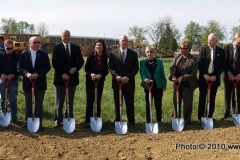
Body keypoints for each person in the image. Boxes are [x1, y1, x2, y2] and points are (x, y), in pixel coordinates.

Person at [52, 29, 84, 128]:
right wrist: (62, 74)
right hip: (60, 78)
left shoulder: (76, 48)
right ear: (61, 37)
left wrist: (76, 68)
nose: (66, 37)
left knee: (70, 100)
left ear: (70, 36)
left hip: (72, 78)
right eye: (64, 35)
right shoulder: (57, 48)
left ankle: (69, 117)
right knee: (59, 100)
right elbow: (54, 63)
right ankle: (58, 119)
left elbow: (81, 61)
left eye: (68, 35)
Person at [17, 36, 51, 130]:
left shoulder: (43, 54)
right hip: (28, 83)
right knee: (28, 103)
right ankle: (28, 122)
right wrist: (27, 74)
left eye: (38, 42)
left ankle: (39, 123)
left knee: (39, 104)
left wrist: (37, 74)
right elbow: (19, 67)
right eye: (34, 42)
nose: (37, 44)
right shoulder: (24, 54)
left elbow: (47, 67)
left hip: (39, 83)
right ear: (29, 43)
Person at [109, 35, 139, 126]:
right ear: (119, 42)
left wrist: (128, 77)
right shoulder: (113, 53)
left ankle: (131, 121)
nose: (124, 42)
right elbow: (111, 67)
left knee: (130, 103)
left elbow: (135, 68)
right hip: (117, 83)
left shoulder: (133, 54)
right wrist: (116, 76)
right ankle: (118, 120)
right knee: (118, 103)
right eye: (123, 40)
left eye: (126, 41)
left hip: (129, 82)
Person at [169, 39, 198, 125]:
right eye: (180, 48)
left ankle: (186, 120)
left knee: (187, 103)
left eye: (183, 48)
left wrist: (183, 77)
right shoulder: (177, 57)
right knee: (176, 102)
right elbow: (172, 68)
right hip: (177, 84)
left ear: (189, 49)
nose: (181, 50)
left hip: (188, 85)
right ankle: (175, 119)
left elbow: (193, 73)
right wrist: (173, 76)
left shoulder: (193, 59)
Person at [198, 33, 225, 124]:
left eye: (211, 40)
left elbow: (222, 66)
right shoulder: (203, 49)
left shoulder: (221, 51)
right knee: (202, 97)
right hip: (203, 78)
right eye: (208, 39)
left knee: (212, 98)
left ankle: (209, 115)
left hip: (214, 79)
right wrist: (205, 75)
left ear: (216, 41)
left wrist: (215, 75)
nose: (209, 41)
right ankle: (201, 117)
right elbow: (200, 63)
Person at [84, 39, 109, 127]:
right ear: (95, 46)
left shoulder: (105, 57)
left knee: (97, 100)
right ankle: (88, 120)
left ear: (103, 47)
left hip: (100, 80)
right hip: (90, 80)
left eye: (100, 45)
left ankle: (97, 118)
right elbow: (86, 68)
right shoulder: (91, 56)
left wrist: (100, 75)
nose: (98, 47)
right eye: (97, 45)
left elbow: (106, 70)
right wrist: (92, 74)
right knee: (90, 99)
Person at [140, 46, 166, 124]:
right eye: (148, 52)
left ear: (154, 53)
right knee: (148, 104)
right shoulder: (142, 62)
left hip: (158, 86)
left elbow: (162, 74)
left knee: (158, 104)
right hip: (148, 86)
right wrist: (145, 79)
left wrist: (164, 85)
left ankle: (159, 120)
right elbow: (142, 73)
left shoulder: (159, 62)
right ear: (145, 53)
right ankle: (149, 120)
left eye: (151, 51)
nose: (149, 53)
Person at [0, 40, 19, 123]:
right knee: (3, 99)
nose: (10, 50)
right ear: (4, 47)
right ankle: (3, 115)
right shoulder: (0, 55)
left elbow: (19, 68)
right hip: (3, 80)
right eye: (8, 48)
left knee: (13, 99)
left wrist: (13, 75)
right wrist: (0, 75)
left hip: (13, 80)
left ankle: (14, 117)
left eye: (11, 48)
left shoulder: (17, 56)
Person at [222, 33, 240, 119]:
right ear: (234, 39)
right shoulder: (226, 47)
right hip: (227, 75)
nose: (239, 44)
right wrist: (229, 73)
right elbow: (223, 63)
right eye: (239, 42)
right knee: (227, 94)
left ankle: (236, 112)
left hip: (238, 76)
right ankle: (226, 112)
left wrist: (239, 75)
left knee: (237, 94)